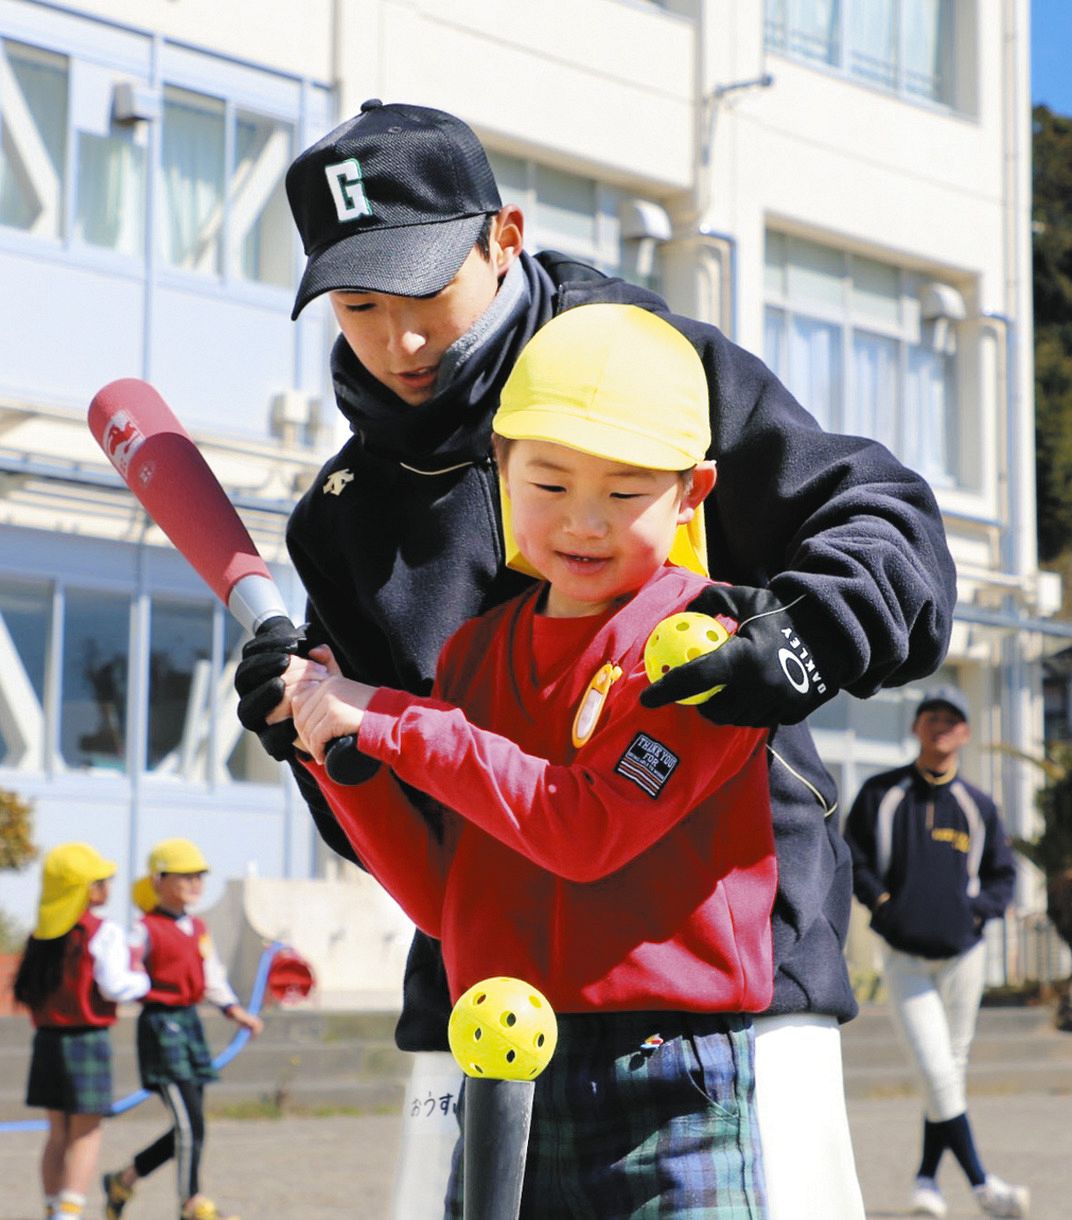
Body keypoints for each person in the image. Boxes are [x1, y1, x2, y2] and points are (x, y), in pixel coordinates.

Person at [234, 99, 957, 1218]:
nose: (400, 339)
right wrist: (322, 740)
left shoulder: (654, 368)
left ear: (502, 237)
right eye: (359, 304)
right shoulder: (342, 519)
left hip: (718, 985)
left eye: (424, 289)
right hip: (484, 996)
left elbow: (878, 516)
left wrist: (805, 637)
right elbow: (417, 844)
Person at [289, 302, 776, 1216]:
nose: (583, 522)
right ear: (500, 468)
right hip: (500, 1061)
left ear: (692, 492)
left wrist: (387, 718)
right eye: (549, 483)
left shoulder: (705, 647)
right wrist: (339, 758)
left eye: (626, 492)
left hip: (669, 1074)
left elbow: (584, 829)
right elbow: (449, 900)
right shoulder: (475, 652)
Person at [842, 687, 1029, 1219]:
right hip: (904, 959)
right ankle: (982, 1185)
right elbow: (852, 858)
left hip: (964, 957)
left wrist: (976, 910)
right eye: (931, 717)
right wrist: (882, 904)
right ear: (915, 727)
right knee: (937, 1069)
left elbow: (1003, 875)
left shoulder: (978, 805)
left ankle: (926, 1181)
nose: (941, 726)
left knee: (947, 1070)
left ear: (965, 733)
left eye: (952, 719)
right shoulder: (883, 793)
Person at [100, 838, 263, 1220]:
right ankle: (191, 1203)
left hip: (189, 1025)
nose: (194, 883)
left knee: (190, 1127)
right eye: (184, 876)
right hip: (160, 1026)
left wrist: (234, 1010)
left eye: (199, 876)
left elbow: (211, 975)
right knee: (191, 1125)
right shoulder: (144, 930)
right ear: (159, 880)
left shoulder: (198, 928)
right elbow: (126, 971)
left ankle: (122, 1179)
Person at [14, 843, 149, 1220]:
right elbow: (114, 986)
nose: (108, 887)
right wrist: (141, 979)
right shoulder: (102, 932)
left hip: (47, 1041)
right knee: (85, 1134)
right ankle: (69, 1213)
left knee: (56, 1133)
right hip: (87, 1040)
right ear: (87, 889)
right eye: (102, 881)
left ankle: (52, 1207)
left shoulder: (40, 936)